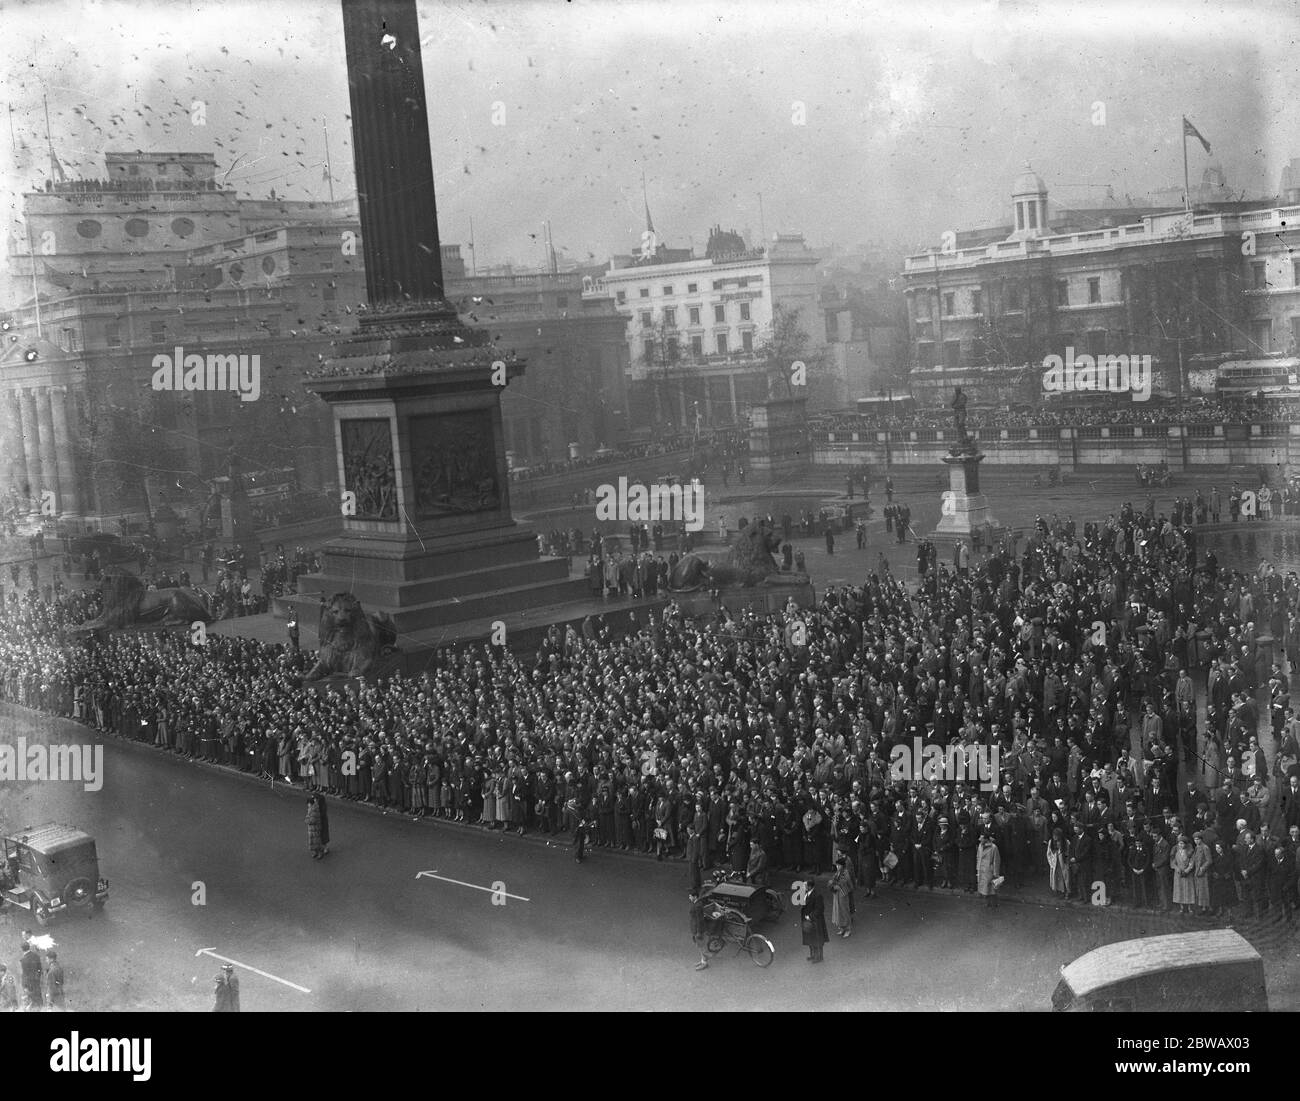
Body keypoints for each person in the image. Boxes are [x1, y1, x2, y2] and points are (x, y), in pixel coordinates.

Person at [800, 877, 829, 963]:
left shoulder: (817, 895)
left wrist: (810, 916)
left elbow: (820, 909)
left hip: (815, 921)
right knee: (810, 939)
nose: (803, 886)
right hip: (807, 920)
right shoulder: (807, 893)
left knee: (817, 940)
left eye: (804, 885)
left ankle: (819, 957)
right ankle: (813, 955)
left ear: (809, 886)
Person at [977, 830, 1002, 908]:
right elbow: (978, 857)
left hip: (989, 871)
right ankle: (987, 903)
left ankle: (994, 903)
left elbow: (996, 861)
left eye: (982, 838)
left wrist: (995, 873)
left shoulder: (994, 847)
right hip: (982, 870)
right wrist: (977, 868)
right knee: (984, 888)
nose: (980, 840)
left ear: (986, 839)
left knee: (991, 888)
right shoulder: (980, 846)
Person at [829, 857, 854, 937]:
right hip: (837, 894)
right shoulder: (838, 873)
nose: (837, 867)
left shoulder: (845, 873)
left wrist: (836, 885)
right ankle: (842, 928)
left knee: (845, 911)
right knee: (839, 911)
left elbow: (846, 883)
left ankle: (848, 929)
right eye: (837, 865)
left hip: (843, 894)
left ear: (842, 866)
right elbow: (833, 880)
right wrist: (832, 883)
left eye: (839, 865)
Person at [689, 893, 711, 971]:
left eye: (690, 896)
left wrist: (699, 932)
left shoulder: (698, 906)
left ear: (695, 897)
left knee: (701, 946)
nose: (689, 897)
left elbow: (700, 920)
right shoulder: (695, 903)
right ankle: (702, 961)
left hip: (698, 929)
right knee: (699, 946)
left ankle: (705, 962)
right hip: (695, 928)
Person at [19, 939, 42, 1010]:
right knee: (37, 1000)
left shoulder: (23, 959)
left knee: (29, 1001)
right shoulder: (36, 956)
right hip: (36, 981)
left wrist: (24, 985)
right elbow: (40, 969)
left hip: (28, 983)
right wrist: (38, 977)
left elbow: (24, 973)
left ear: (22, 949)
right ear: (29, 947)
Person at [313, 791, 331, 856]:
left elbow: (323, 813)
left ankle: (326, 847)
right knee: (318, 835)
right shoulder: (315, 804)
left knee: (324, 834)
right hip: (318, 821)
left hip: (323, 821)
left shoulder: (322, 804)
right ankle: (321, 847)